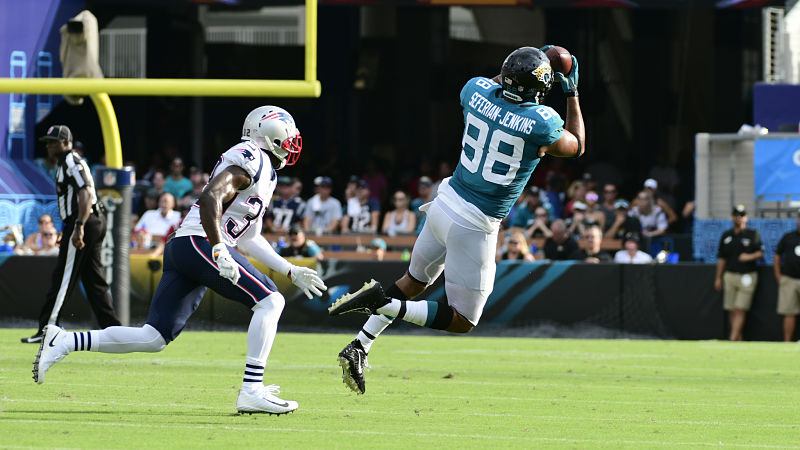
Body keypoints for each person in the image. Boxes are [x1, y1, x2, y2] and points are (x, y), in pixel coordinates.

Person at [33, 106, 327, 415]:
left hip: (187, 246)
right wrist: (219, 249)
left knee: (153, 337)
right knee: (270, 302)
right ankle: (252, 390)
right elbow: (211, 197)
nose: (291, 144)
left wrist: (290, 269)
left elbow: (249, 238)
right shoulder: (252, 157)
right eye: (288, 136)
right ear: (271, 134)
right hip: (200, 242)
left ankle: (64, 341)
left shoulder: (266, 172)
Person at [327, 45, 585, 394]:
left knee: (413, 282)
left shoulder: (474, 89)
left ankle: (359, 346)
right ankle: (381, 301)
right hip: (475, 222)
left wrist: (525, 63)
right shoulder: (542, 122)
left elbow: (496, 85)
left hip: (444, 203)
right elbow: (577, 145)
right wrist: (571, 92)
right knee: (463, 320)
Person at [21, 125, 121, 344]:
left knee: (63, 277)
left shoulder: (71, 162)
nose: (48, 146)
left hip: (85, 220)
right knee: (94, 281)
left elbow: (85, 192)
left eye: (53, 142)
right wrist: (71, 226)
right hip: (87, 221)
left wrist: (78, 225)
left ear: (66, 142)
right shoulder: (65, 163)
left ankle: (48, 329)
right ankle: (114, 330)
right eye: (47, 142)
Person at [714, 204, 763, 341]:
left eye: (741, 215)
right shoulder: (726, 235)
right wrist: (718, 277)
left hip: (747, 275)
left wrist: (748, 256)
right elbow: (722, 258)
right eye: (736, 215)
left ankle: (732, 338)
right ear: (732, 217)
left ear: (746, 217)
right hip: (730, 274)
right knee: (731, 308)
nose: (738, 218)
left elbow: (760, 253)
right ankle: (737, 338)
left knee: (740, 308)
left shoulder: (752, 234)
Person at [773, 211, 800, 341]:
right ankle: (787, 343)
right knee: (789, 312)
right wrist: (778, 275)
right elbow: (777, 255)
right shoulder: (788, 237)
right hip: (789, 279)